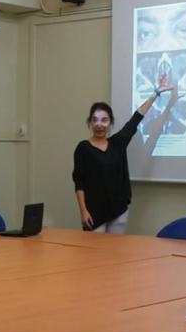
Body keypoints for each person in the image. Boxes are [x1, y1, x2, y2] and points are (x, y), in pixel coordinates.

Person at [72, 74, 172, 233]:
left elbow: (137, 117)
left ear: (110, 123)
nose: (99, 124)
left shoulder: (118, 143)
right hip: (93, 213)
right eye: (95, 120)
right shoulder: (83, 148)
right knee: (94, 254)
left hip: (119, 210)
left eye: (104, 120)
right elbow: (79, 183)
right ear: (90, 122)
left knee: (116, 253)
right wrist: (83, 211)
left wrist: (156, 93)